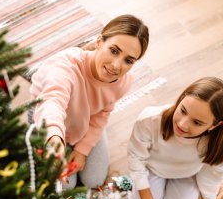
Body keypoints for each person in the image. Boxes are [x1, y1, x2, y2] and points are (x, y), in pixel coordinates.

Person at [29, 14, 149, 189]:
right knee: (66, 187)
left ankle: (80, 137)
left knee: (94, 180)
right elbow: (52, 101)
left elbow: (103, 112)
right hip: (48, 119)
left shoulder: (124, 81)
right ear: (99, 41)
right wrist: (54, 137)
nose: (116, 65)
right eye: (114, 50)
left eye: (128, 60)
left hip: (85, 118)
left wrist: (82, 150)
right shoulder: (64, 66)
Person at [127, 77, 223, 199]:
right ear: (182, 98)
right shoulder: (149, 119)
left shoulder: (222, 144)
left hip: (187, 176)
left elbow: (214, 174)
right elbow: (135, 157)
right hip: (152, 169)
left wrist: (209, 196)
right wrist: (146, 198)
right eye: (183, 110)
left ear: (215, 125)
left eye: (197, 122)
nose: (182, 125)